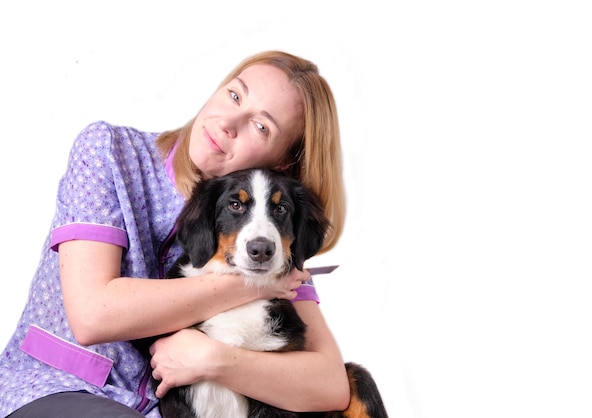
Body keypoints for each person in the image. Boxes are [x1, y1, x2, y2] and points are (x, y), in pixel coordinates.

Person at [0, 50, 349, 417]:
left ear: (281, 164)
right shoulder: (109, 152)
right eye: (235, 95)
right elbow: (93, 315)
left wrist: (216, 360)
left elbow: (328, 384)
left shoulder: (269, 233)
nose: (229, 122)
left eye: (261, 127)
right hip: (57, 384)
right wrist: (253, 283)